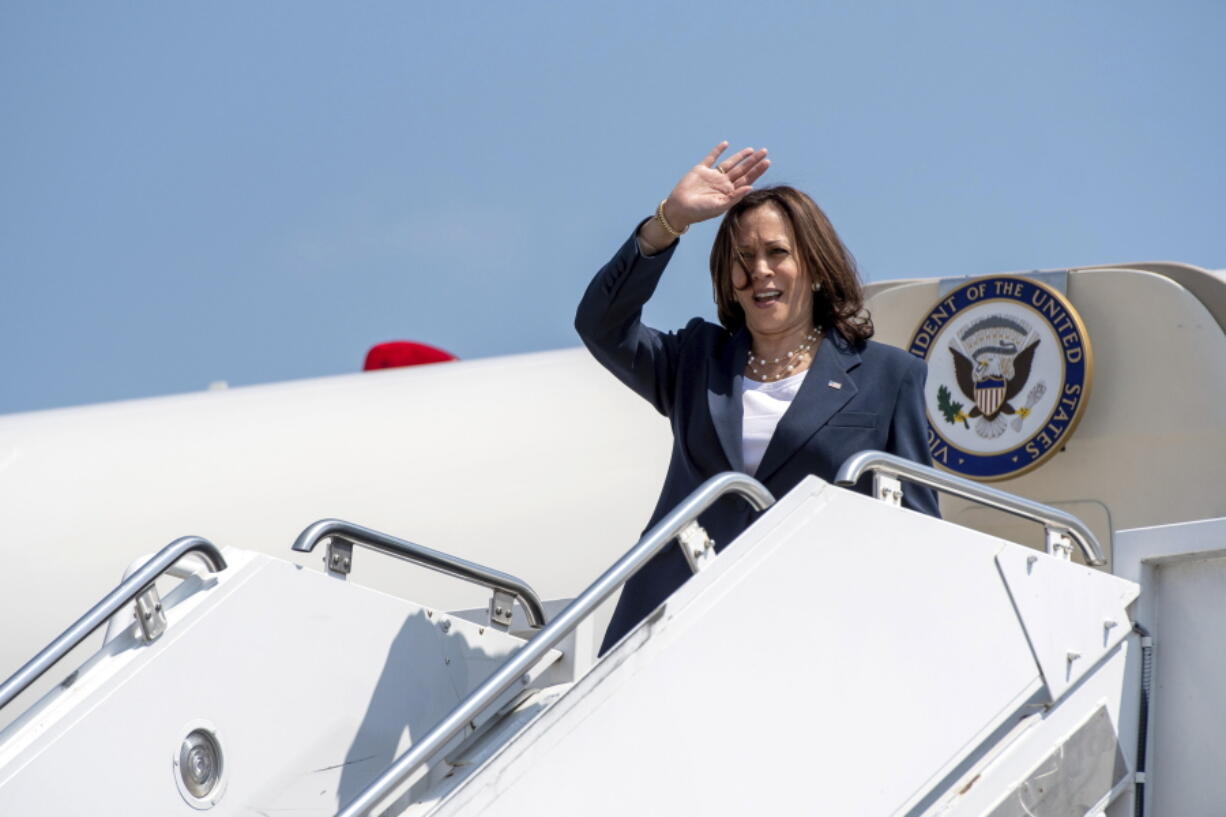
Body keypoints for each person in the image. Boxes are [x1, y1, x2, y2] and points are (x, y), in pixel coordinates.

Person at [576, 142, 940, 655]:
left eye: (777, 253)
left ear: (813, 266)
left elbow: (918, 532)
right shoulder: (696, 361)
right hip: (671, 631)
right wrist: (670, 220)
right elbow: (600, 325)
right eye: (743, 258)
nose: (760, 271)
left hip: (810, 640)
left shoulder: (888, 377)